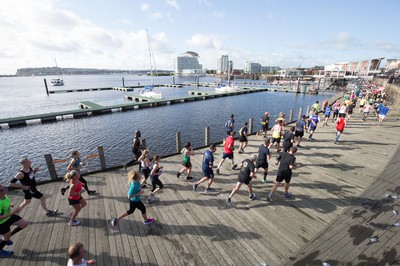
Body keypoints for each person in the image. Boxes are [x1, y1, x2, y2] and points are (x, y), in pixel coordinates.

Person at [0, 184, 29, 258]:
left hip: (9, 216)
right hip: (2, 223)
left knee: (24, 224)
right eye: (4, 188)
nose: (7, 189)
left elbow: (5, 205)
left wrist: (10, 205)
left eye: (5, 187)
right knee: (6, 238)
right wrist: (13, 212)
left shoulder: (4, 196)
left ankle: (7, 237)